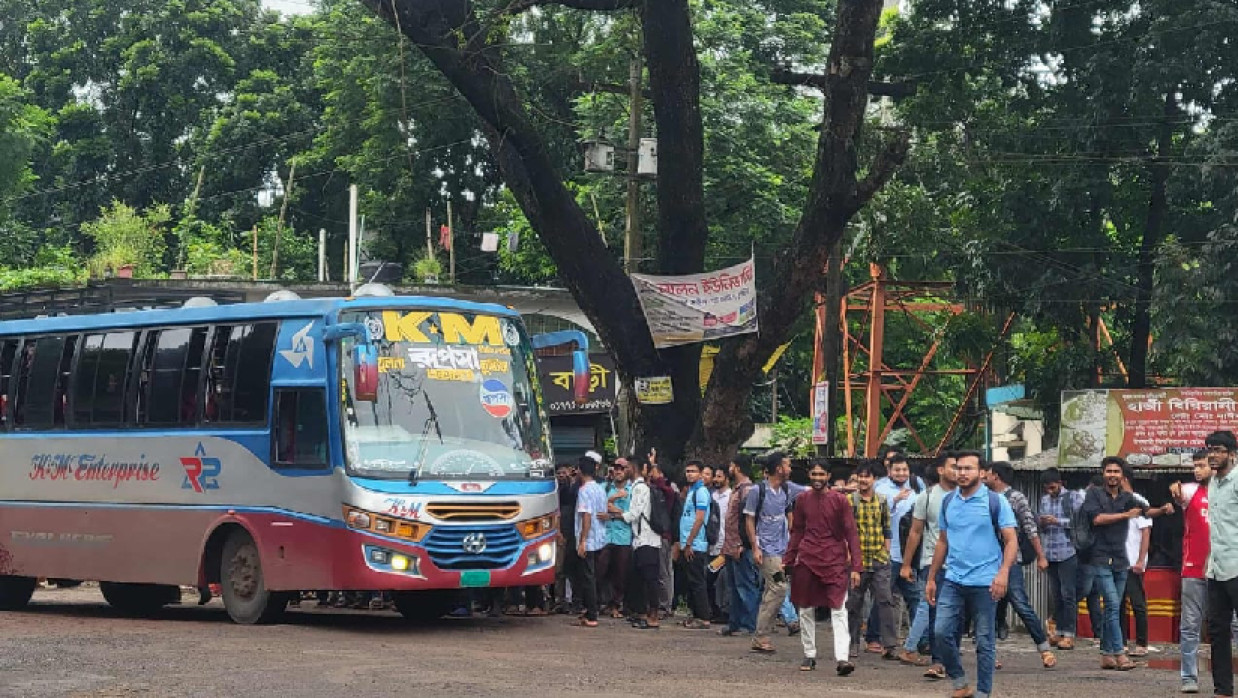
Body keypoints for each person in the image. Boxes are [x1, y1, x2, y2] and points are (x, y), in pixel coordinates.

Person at [926, 450, 1017, 698]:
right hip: (953, 579)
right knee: (941, 632)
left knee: (985, 641)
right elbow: (943, 541)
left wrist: (1003, 574)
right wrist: (932, 578)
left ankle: (983, 692)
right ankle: (960, 682)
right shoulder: (948, 501)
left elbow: (1011, 541)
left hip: (986, 581)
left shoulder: (996, 502)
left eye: (968, 468)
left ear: (983, 472)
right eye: (958, 468)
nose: (962, 473)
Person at [785, 461, 862, 676]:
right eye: (814, 473)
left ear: (828, 475)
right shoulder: (802, 499)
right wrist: (788, 559)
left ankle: (842, 658)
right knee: (805, 607)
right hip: (808, 558)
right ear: (809, 475)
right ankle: (809, 654)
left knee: (838, 609)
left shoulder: (840, 501)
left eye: (821, 474)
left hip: (835, 560)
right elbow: (797, 531)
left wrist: (856, 566)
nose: (817, 478)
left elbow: (851, 533)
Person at [988, 461, 1056, 669]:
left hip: (1011, 560)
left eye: (987, 473)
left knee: (1020, 603)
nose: (983, 476)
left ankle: (1044, 648)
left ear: (996, 476)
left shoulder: (1016, 498)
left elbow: (1030, 528)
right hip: (986, 561)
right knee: (988, 608)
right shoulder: (981, 497)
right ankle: (990, 654)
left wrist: (1041, 556)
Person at [1078, 456, 1143, 670]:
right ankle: (1120, 653)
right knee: (1114, 605)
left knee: (1111, 610)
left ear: (1122, 476)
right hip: (1100, 558)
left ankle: (1106, 655)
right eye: (1109, 471)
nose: (1112, 475)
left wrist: (1164, 510)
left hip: (1120, 560)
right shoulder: (1094, 494)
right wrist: (1126, 515)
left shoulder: (1127, 497)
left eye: (1116, 472)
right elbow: (1097, 519)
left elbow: (1145, 510)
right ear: (1103, 473)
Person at [899, 453, 957, 679]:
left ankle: (974, 654)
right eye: (954, 467)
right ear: (941, 470)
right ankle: (938, 661)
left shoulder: (969, 496)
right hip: (932, 562)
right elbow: (915, 532)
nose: (959, 472)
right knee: (935, 611)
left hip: (964, 564)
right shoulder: (927, 496)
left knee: (961, 613)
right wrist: (906, 564)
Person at [845, 461, 898, 659]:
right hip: (857, 562)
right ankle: (852, 643)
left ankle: (890, 645)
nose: (863, 480)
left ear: (874, 479)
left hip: (878, 559)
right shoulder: (850, 501)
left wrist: (886, 552)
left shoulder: (883, 500)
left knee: (885, 600)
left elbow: (887, 528)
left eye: (867, 476)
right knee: (854, 604)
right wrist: (849, 557)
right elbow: (845, 532)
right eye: (860, 476)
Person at [1171, 451, 1214, 694]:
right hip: (1193, 569)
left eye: (1202, 466)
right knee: (1190, 626)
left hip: (1225, 569)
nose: (1197, 470)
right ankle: (1189, 677)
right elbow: (1176, 490)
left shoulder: (1228, 492)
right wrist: (1173, 488)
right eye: (1195, 466)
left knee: (1232, 624)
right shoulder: (1189, 491)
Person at [745, 452, 795, 654]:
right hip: (766, 550)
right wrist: (755, 547)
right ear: (778, 468)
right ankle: (761, 634)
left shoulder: (786, 490)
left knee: (771, 590)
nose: (790, 469)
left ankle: (762, 632)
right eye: (787, 465)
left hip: (782, 548)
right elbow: (749, 520)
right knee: (779, 586)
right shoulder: (757, 491)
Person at [872, 454, 922, 649]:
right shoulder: (881, 489)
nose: (901, 474)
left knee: (916, 598)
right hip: (889, 553)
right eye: (897, 470)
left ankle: (918, 640)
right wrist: (895, 500)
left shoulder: (917, 490)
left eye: (904, 470)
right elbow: (876, 514)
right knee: (883, 598)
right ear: (889, 471)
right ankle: (873, 637)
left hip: (910, 556)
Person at [1205, 430, 1238, 698]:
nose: (1212, 455)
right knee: (1217, 631)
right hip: (1216, 568)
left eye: (1218, 450)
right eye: (1210, 450)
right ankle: (1223, 691)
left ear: (1231, 454)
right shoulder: (1213, 483)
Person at [1038, 467, 1083, 650]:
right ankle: (1058, 631)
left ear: (1060, 483)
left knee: (1068, 594)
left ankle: (1070, 634)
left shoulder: (1073, 497)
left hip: (1068, 551)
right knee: (1056, 595)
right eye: (1048, 488)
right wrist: (1042, 522)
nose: (1051, 490)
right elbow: (1039, 526)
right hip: (1050, 552)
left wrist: (1058, 521)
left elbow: (1081, 522)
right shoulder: (1044, 501)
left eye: (1053, 486)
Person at [621, 455, 663, 630]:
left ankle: (653, 615)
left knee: (650, 578)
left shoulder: (640, 489)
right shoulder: (635, 487)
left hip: (647, 539)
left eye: (627, 467)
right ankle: (643, 612)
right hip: (640, 540)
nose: (624, 471)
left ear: (633, 468)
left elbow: (634, 514)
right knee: (639, 578)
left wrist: (616, 513)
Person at [721, 454, 758, 637]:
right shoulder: (738, 489)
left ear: (736, 467)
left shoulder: (747, 490)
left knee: (745, 585)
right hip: (730, 545)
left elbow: (748, 520)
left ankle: (749, 624)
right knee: (733, 586)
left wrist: (741, 544)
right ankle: (734, 622)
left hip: (739, 546)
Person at [673, 460, 713, 629]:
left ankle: (703, 617)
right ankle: (696, 614)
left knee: (697, 581)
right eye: (688, 471)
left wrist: (689, 542)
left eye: (693, 471)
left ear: (700, 473)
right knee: (690, 581)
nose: (689, 474)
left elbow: (699, 519)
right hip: (687, 543)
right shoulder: (691, 491)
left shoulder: (701, 492)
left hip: (695, 544)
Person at [572, 455, 607, 627]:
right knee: (591, 575)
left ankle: (592, 614)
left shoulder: (584, 490)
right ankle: (591, 609)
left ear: (580, 470)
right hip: (600, 537)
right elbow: (603, 512)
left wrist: (582, 540)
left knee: (587, 577)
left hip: (589, 538)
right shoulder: (600, 489)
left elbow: (586, 515)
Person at [597, 460, 632, 619]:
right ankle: (599, 603)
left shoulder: (633, 490)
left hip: (623, 536)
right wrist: (613, 500)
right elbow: (598, 509)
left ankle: (616, 605)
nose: (618, 471)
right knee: (600, 570)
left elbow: (631, 515)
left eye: (621, 468)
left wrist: (613, 512)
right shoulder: (604, 488)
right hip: (604, 536)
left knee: (620, 573)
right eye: (616, 468)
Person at [708, 465, 733, 623]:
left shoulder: (731, 496)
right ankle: (715, 611)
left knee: (724, 581)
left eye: (719, 476)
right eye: (715, 476)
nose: (716, 480)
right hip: (711, 544)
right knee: (709, 579)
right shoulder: (711, 496)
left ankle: (726, 612)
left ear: (727, 479)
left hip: (725, 545)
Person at [554, 462, 578, 613]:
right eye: (559, 473)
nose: (562, 476)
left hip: (574, 533)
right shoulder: (556, 491)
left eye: (564, 473)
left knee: (574, 569)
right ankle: (559, 600)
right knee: (559, 569)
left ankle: (574, 601)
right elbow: (556, 512)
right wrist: (558, 531)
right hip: (561, 533)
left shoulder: (576, 489)